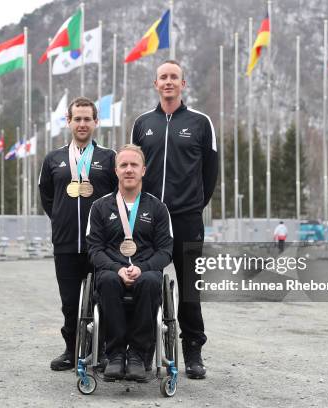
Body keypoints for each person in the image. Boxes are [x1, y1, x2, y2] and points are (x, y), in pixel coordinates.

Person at [131, 60, 218, 379]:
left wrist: (191, 205)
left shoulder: (201, 122)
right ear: (156, 84)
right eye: (163, 77)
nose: (169, 82)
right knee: (144, 282)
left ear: (184, 84)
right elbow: (132, 169)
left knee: (190, 289)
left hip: (186, 219)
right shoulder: (142, 123)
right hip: (148, 219)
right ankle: (141, 351)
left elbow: (210, 173)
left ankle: (193, 351)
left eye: (174, 77)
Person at [39, 97, 117, 371]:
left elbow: (120, 197)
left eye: (87, 119)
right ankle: (71, 351)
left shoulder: (110, 158)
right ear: (68, 121)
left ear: (96, 122)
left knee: (106, 298)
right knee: (70, 303)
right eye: (77, 119)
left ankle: (104, 351)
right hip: (66, 242)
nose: (82, 124)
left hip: (103, 245)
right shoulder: (53, 159)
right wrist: (62, 218)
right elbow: (48, 197)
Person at [86, 144, 173, 381]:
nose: (128, 170)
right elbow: (94, 249)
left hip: (145, 269)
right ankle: (114, 355)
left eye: (134, 165)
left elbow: (166, 251)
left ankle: (138, 356)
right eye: (123, 165)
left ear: (143, 170)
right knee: (108, 281)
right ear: (116, 171)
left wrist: (142, 267)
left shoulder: (158, 208)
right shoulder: (100, 207)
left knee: (149, 282)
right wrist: (118, 268)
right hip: (113, 269)